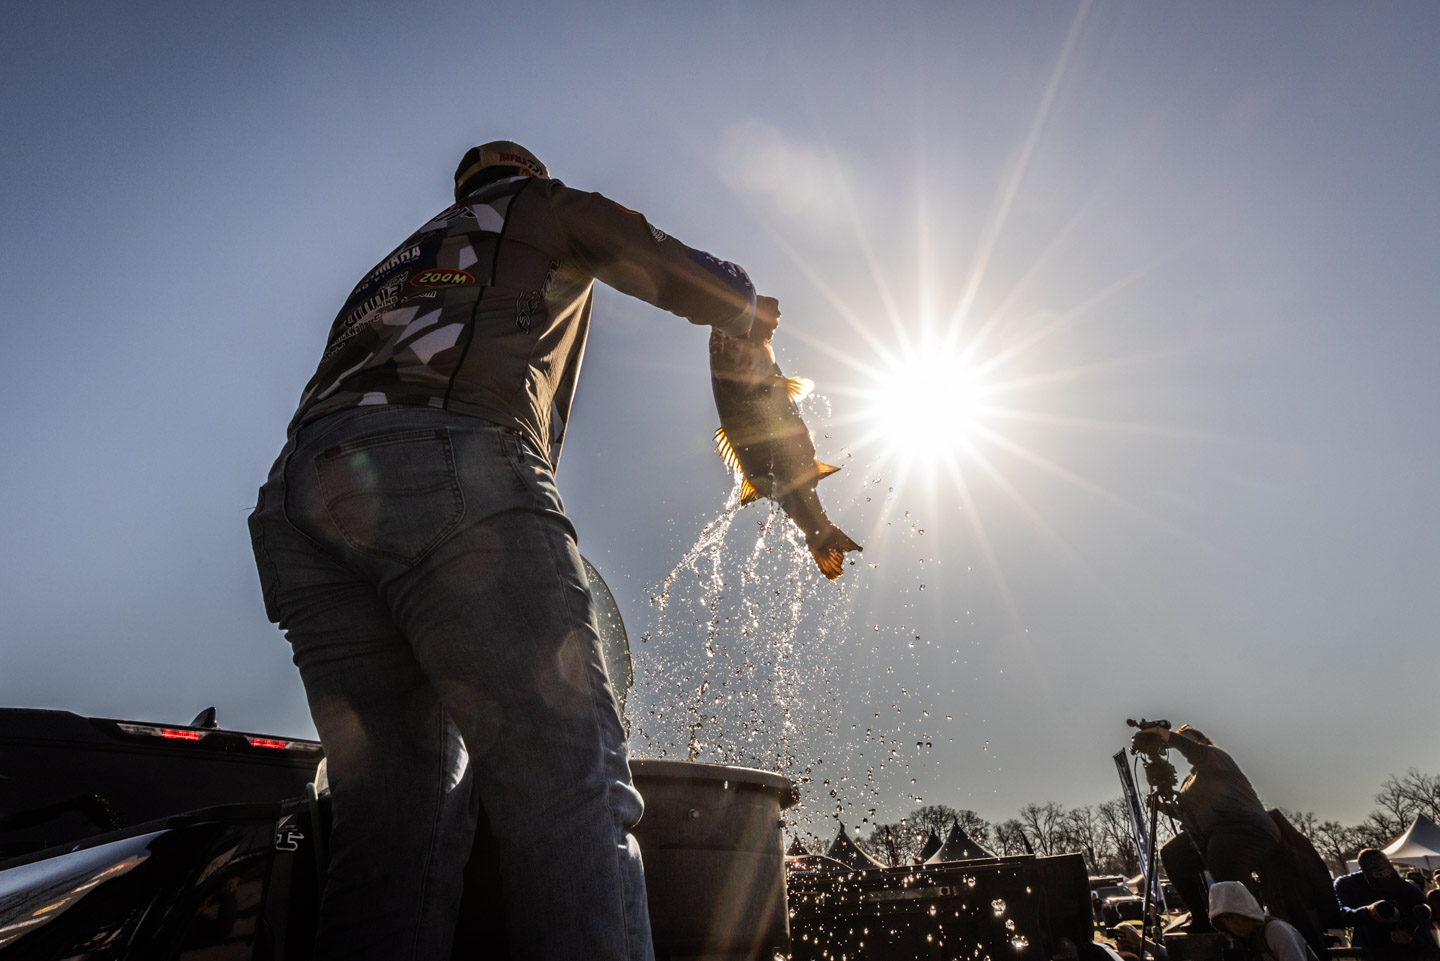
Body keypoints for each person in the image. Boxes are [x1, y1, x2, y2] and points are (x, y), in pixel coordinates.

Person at [248, 140, 779, 961]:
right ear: (529, 174)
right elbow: (680, 270)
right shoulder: (540, 204)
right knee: (568, 785)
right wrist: (743, 304)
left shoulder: (394, 264)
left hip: (298, 503)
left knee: (394, 825)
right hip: (449, 455)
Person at [1133, 725, 1280, 932]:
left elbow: (1194, 751)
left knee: (1222, 850)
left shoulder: (1216, 757)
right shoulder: (1189, 781)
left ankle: (1251, 918)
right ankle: (1201, 917)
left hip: (1248, 827)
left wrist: (1162, 733)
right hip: (1212, 835)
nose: (1182, 743)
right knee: (1172, 853)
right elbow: (1189, 816)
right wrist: (1163, 808)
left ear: (1203, 741)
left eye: (1188, 740)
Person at [1334, 849, 1438, 952]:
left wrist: (1409, 930)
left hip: (1412, 949)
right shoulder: (1350, 884)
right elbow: (1341, 914)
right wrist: (1369, 912)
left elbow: (1424, 915)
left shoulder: (1408, 889)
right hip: (1371, 948)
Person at [1208, 881, 1318, 961]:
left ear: (1247, 912)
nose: (1234, 924)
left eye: (1236, 915)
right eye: (1226, 918)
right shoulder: (1238, 944)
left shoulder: (1277, 931)